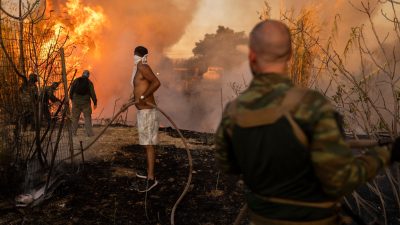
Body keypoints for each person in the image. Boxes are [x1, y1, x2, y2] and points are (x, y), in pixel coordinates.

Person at [215, 19, 400, 225]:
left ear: (251, 56)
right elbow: (340, 180)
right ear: (290, 56)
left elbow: (228, 165)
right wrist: (386, 154)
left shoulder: (233, 112)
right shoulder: (313, 106)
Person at [131, 46, 161, 192]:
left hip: (148, 111)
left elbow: (156, 82)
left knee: (149, 144)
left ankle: (151, 178)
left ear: (139, 55)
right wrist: (132, 100)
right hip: (143, 112)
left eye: (135, 54)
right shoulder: (138, 68)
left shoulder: (143, 66)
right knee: (146, 143)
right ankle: (149, 172)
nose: (134, 56)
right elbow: (139, 88)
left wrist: (143, 97)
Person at [69, 70, 97, 137]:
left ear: (82, 74)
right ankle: (90, 134)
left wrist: (72, 98)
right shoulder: (89, 82)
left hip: (76, 102)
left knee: (75, 118)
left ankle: (73, 133)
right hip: (85, 103)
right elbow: (92, 93)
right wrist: (95, 102)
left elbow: (71, 90)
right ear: (88, 75)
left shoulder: (76, 80)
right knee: (87, 117)